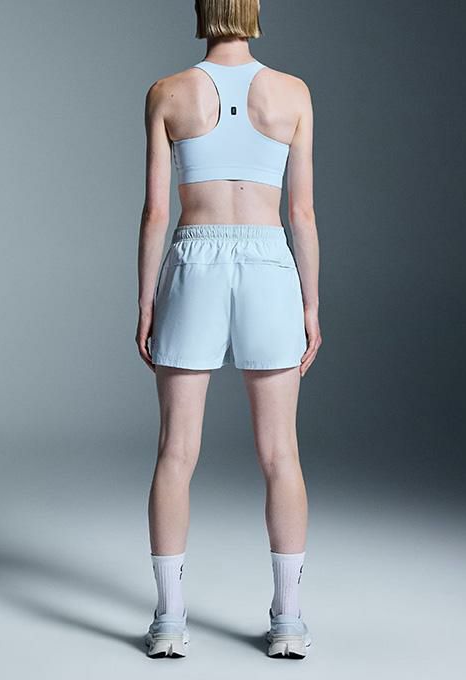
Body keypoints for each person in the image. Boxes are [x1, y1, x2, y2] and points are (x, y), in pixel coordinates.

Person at [136, 0, 321, 658]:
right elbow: (301, 213)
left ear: (202, 8)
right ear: (254, 8)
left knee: (175, 454)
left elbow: (157, 212)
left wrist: (146, 302)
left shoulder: (168, 93)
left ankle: (169, 618)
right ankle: (289, 620)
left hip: (195, 259)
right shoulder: (292, 93)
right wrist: (311, 306)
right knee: (281, 455)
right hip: (270, 262)